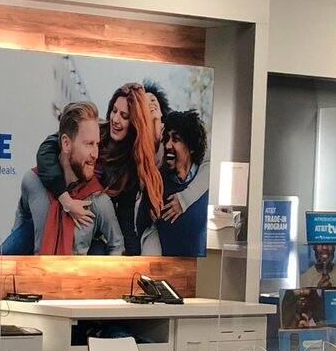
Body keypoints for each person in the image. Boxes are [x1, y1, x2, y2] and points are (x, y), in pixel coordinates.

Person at [29, 82, 165, 254]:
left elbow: (125, 218)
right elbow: (46, 150)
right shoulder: (94, 128)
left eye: (124, 116)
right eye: (114, 111)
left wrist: (133, 260)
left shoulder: (129, 168)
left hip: (86, 227)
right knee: (11, 249)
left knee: (98, 251)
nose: (115, 119)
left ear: (135, 123)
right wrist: (66, 200)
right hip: (57, 205)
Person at [0, 101, 120, 255]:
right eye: (89, 144)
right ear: (66, 143)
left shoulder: (98, 200)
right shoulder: (32, 181)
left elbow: (117, 245)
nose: (96, 154)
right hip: (36, 269)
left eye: (97, 144)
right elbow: (22, 213)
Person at [156, 109, 208, 256]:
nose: (168, 145)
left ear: (191, 147)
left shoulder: (206, 185)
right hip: (161, 267)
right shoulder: (157, 182)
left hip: (198, 267)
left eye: (176, 139)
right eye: (166, 139)